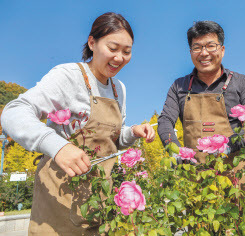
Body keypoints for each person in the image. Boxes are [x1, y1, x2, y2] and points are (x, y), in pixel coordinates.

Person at [1, 12, 155, 235]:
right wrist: (58, 146)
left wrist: (131, 132)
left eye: (127, 51)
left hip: (98, 203)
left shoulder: (118, 89)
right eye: (112, 48)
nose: (119, 57)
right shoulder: (69, 76)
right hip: (58, 203)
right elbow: (13, 112)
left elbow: (110, 140)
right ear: (92, 42)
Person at [158, 21, 245, 177]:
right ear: (191, 52)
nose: (204, 53)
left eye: (211, 46)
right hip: (193, 175)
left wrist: (228, 146)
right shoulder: (179, 86)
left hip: (235, 175)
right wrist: (175, 150)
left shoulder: (242, 82)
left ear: (222, 50)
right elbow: (165, 120)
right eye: (197, 47)